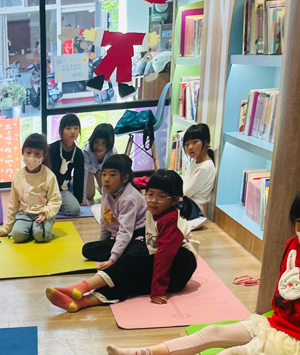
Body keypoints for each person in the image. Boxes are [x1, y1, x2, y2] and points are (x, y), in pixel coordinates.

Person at [106, 177, 300, 355]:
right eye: (299, 222)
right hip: (275, 323)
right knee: (212, 332)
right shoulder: (292, 245)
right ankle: (141, 354)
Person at [47, 170, 197, 312]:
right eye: (150, 194)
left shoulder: (169, 220)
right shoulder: (152, 212)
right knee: (128, 280)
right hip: (164, 263)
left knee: (129, 265)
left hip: (179, 265)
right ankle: (81, 302)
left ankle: (82, 287)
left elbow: (165, 257)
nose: (153, 200)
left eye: (161, 196)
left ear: (175, 199)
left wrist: (158, 290)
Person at [79, 153, 146, 268]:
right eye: (104, 174)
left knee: (133, 256)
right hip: (119, 237)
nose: (106, 179)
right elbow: (104, 219)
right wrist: (102, 243)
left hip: (137, 235)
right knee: (87, 249)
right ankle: (121, 252)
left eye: (112, 175)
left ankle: (122, 254)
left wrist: (112, 260)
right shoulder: (106, 191)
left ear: (125, 178)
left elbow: (125, 232)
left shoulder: (129, 198)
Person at [0, 133, 61, 244]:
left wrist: (46, 212)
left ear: (44, 155)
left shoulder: (49, 176)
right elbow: (13, 204)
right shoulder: (18, 176)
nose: (32, 157)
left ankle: (39, 231)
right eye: (28, 152)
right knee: (17, 236)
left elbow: (55, 200)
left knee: (40, 235)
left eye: (37, 154)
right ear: (23, 152)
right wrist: (7, 228)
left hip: (42, 214)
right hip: (25, 214)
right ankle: (31, 229)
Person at [47, 113, 84, 217]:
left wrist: (78, 199)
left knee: (75, 209)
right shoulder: (52, 149)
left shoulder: (78, 154)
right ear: (61, 131)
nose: (72, 132)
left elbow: (79, 177)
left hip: (62, 190)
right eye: (68, 128)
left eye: (76, 128)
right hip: (46, 189)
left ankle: (55, 206)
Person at [181, 123, 216, 223]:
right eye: (187, 144)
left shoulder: (205, 167)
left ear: (206, 142)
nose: (190, 147)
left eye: (195, 142)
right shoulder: (195, 161)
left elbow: (186, 192)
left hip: (192, 208)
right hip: (187, 203)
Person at [82, 122, 115, 203]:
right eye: (96, 142)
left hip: (103, 173)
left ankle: (97, 185)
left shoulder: (112, 152)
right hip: (89, 172)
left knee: (107, 192)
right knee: (89, 195)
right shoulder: (85, 151)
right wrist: (82, 198)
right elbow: (84, 174)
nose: (99, 147)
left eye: (103, 143)